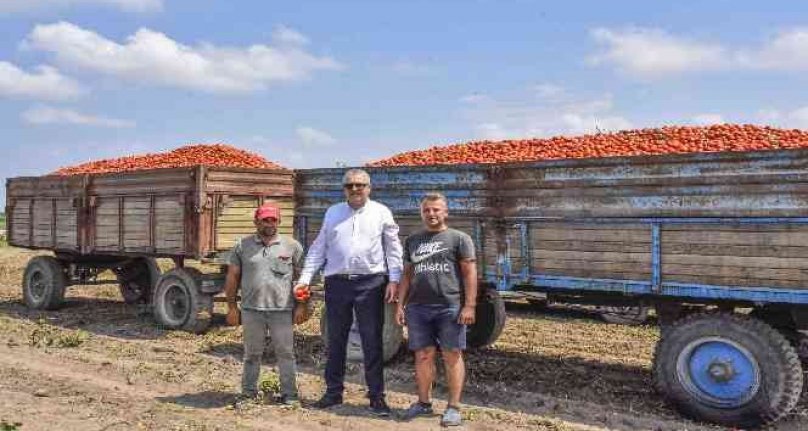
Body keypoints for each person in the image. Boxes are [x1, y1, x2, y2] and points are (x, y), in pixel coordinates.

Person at [295, 168, 403, 417]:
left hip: (371, 283)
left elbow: (393, 249)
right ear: (343, 189)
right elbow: (319, 247)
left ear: (369, 187)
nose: (354, 189)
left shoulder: (381, 212)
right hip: (338, 283)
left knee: (372, 341)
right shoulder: (333, 212)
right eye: (349, 185)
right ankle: (333, 392)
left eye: (359, 185)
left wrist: (394, 280)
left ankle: (376, 397)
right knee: (336, 340)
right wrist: (304, 278)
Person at [395, 192, 477, 427]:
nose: (431, 214)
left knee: (452, 355)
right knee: (423, 355)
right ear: (422, 213)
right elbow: (407, 275)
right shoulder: (412, 240)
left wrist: (469, 306)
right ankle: (423, 402)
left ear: (445, 212)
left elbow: (470, 273)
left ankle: (453, 407)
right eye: (427, 210)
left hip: (449, 307)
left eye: (436, 210)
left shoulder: (459, 239)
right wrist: (400, 305)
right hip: (418, 308)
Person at [224, 202, 309, 406]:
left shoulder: (292, 246)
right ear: (256, 222)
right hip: (252, 310)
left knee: (286, 353)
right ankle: (248, 394)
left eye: (273, 219)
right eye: (265, 220)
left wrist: (302, 306)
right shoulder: (242, 246)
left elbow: (303, 279)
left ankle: (290, 395)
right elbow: (232, 277)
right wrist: (232, 307)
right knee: (252, 354)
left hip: (282, 310)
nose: (269, 223)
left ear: (279, 221)